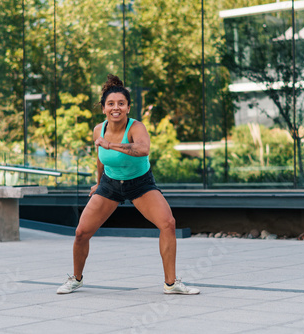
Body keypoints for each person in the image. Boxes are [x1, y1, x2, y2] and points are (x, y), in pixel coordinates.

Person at [57, 74, 199, 295]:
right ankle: (75, 279)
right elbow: (99, 158)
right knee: (81, 232)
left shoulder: (136, 127)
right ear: (103, 108)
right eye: (111, 104)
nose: (116, 108)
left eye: (121, 104)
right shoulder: (98, 130)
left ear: (128, 108)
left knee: (168, 223)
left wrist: (111, 144)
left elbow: (143, 149)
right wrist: (97, 184)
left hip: (140, 184)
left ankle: (171, 284)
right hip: (110, 184)